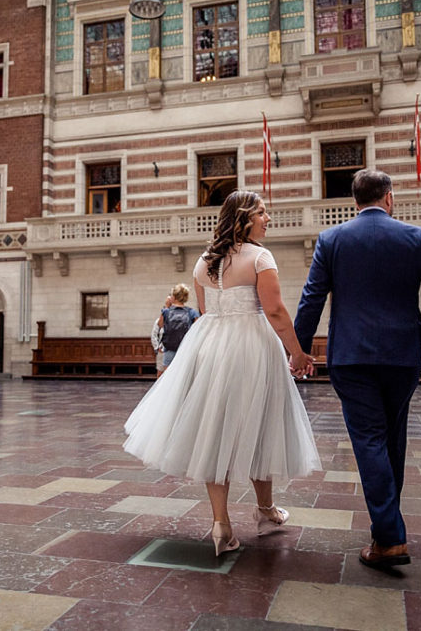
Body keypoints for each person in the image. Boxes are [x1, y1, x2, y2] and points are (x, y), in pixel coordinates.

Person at [124, 190, 321, 556]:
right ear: (245, 217)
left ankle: (222, 525)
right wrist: (297, 353)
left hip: (210, 346)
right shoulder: (261, 257)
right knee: (262, 425)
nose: (268, 219)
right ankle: (264, 512)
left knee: (215, 431)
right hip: (252, 346)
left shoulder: (203, 262)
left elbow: (206, 310)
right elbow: (275, 311)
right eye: (262, 212)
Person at [294, 168, 421, 570]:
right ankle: (386, 531)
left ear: (355, 202)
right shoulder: (416, 237)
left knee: (369, 439)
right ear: (389, 197)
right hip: (403, 356)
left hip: (351, 356)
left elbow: (312, 299)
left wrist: (296, 349)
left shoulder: (332, 239)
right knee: (392, 440)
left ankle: (389, 537)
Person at [156, 283, 200, 370]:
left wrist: (166, 306)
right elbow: (197, 330)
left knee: (168, 376)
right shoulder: (192, 312)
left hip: (170, 349)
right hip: (186, 349)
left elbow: (160, 325)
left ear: (174, 297)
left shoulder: (166, 311)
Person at [150, 295, 172, 377]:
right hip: (162, 350)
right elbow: (154, 335)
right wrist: (157, 348)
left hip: (173, 349)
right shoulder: (159, 321)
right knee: (160, 373)